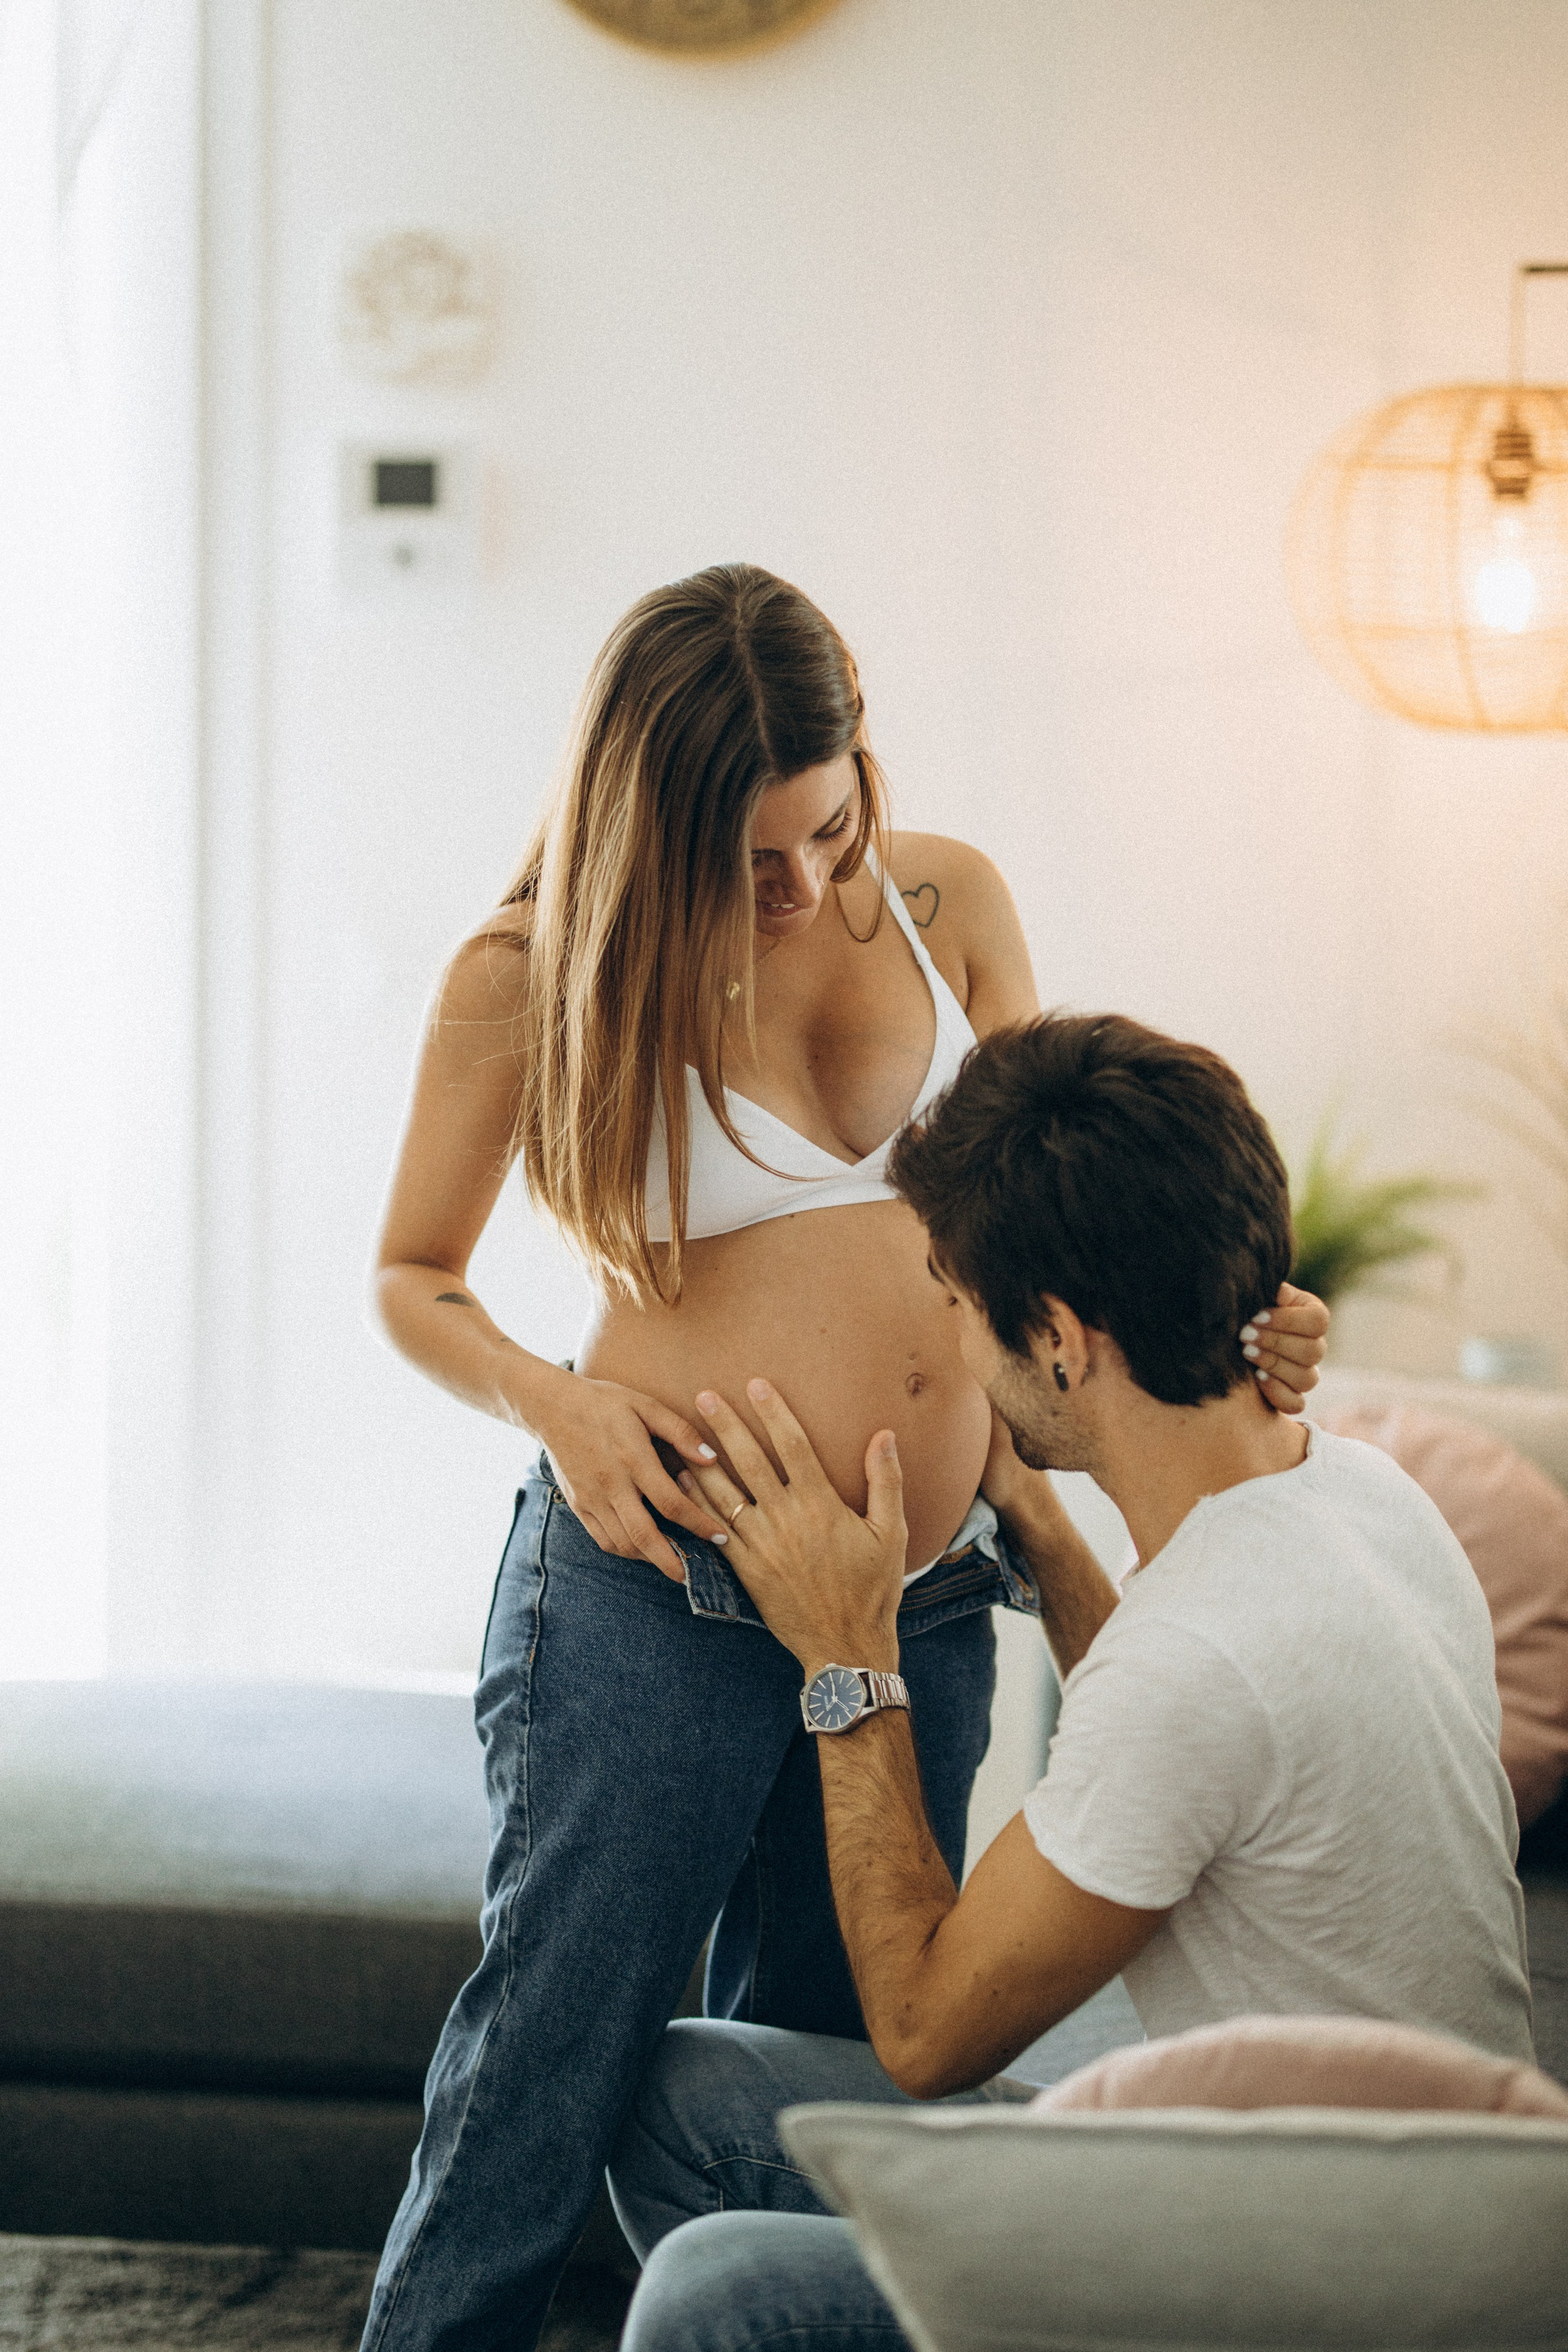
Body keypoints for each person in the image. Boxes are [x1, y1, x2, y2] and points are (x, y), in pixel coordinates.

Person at [362, 568, 1329, 2352]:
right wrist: (556, 1401)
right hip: (660, 1589)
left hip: (922, 1599)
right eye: (746, 860)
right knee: (546, 2069)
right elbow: (411, 1281)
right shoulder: (529, 975)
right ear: (644, 819)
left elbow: (1059, 1207)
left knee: (818, 2089)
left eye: (827, 825)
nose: (803, 888)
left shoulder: (951, 903)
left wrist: (1237, 1330)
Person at [608, 1011, 1534, 2352]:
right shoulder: (1362, 1496)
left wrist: (844, 1656)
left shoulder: (1196, 1660)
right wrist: (1038, 1525)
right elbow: (1184, 1755)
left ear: (1054, 1337)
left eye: (955, 1299)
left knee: (709, 2301)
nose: (949, 1342)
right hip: (1417, 2203)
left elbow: (927, 2030)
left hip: (1301, 2297)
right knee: (687, 2088)